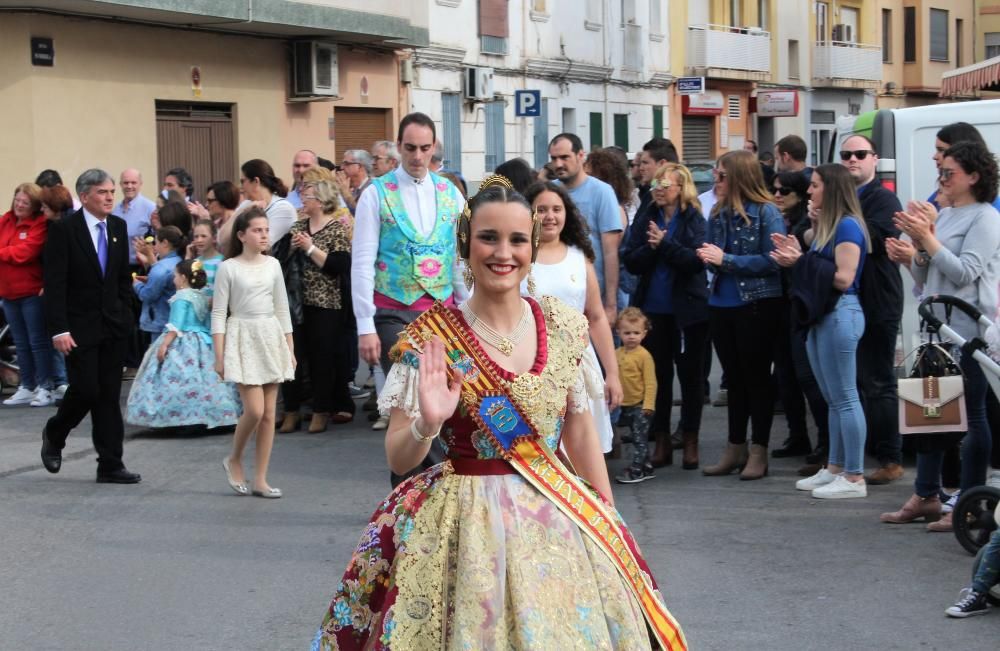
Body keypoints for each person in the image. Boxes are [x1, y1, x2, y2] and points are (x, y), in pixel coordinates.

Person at [313, 176, 686, 651]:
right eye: (488, 237)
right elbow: (401, 458)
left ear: (532, 245)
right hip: (464, 526)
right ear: (466, 245)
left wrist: (606, 517)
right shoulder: (432, 338)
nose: (502, 252)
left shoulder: (564, 326)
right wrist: (428, 424)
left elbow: (579, 431)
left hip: (557, 513)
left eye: (516, 239)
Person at [882, 140, 1000, 531]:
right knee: (929, 413)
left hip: (968, 331)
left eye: (948, 173)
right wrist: (911, 255)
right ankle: (926, 494)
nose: (941, 179)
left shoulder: (984, 217)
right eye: (940, 173)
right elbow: (929, 277)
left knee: (973, 415)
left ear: (974, 176)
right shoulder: (947, 216)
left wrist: (926, 240)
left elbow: (966, 272)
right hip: (937, 325)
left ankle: (965, 504)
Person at [351, 112, 466, 449]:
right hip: (392, 311)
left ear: (434, 149)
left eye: (425, 148)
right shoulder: (376, 194)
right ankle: (413, 486)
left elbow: (458, 260)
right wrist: (365, 325)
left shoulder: (450, 194)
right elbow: (362, 262)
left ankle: (427, 485)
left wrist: (470, 312)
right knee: (412, 398)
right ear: (399, 147)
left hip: (443, 314)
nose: (418, 156)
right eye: (411, 148)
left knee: (442, 401)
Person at [772, 164, 872, 499]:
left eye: (815, 186)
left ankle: (854, 476)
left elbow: (844, 277)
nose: (810, 191)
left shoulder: (847, 226)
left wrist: (798, 261)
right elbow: (808, 252)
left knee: (845, 397)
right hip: (824, 316)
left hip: (841, 313)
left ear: (830, 189)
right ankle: (835, 468)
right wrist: (801, 244)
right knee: (833, 399)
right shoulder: (827, 226)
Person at [41, 169, 141, 484]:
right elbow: (54, 285)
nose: (110, 197)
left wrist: (126, 316)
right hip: (77, 327)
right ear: (84, 196)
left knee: (109, 396)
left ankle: (110, 464)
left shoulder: (117, 226)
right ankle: (55, 433)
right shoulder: (63, 231)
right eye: (102, 192)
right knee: (86, 389)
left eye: (112, 191)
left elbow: (121, 277)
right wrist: (59, 329)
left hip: (112, 324)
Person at [697, 150, 786, 480]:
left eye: (721, 176)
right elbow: (713, 253)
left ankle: (758, 450)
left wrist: (726, 260)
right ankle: (735, 446)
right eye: (714, 175)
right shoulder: (718, 213)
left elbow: (774, 260)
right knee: (734, 379)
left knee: (756, 379)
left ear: (738, 178)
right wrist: (708, 256)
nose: (714, 182)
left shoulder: (766, 213)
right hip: (721, 302)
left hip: (757, 303)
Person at [522, 181, 622, 454]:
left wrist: (612, 373)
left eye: (557, 209)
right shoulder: (518, 258)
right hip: (529, 365)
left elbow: (597, 317)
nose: (550, 216)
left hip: (578, 364)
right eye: (541, 209)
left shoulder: (579, 258)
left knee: (582, 450)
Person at [624, 163, 709, 471]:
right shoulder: (646, 216)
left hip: (688, 312)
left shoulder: (694, 219)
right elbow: (631, 260)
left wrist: (666, 244)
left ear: (680, 189)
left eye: (665, 185)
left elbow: (695, 261)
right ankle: (660, 440)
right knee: (657, 378)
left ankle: (689, 439)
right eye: (655, 185)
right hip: (653, 311)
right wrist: (653, 247)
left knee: (691, 379)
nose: (658, 190)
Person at [212, 207, 296, 498]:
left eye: (266, 230)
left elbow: (282, 307)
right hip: (242, 335)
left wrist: (290, 347)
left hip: (270, 334)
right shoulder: (228, 268)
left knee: (269, 414)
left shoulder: (273, 264)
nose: (264, 235)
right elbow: (219, 313)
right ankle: (234, 458)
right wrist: (219, 355)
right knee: (255, 410)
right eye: (257, 230)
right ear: (241, 235)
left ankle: (260, 479)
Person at [838, 135, 907, 485]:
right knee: (855, 382)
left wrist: (841, 222)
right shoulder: (842, 200)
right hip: (847, 302)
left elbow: (878, 239)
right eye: (846, 154)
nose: (853, 160)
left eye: (860, 154)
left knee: (879, 381)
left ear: (874, 160)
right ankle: (855, 455)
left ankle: (890, 458)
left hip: (878, 300)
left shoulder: (882, 197)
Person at [126, 259, 241, 429]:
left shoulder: (181, 297)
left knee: (177, 376)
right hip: (203, 340)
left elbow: (176, 324)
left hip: (183, 341)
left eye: (175, 276)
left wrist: (165, 344)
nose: (173, 280)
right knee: (206, 378)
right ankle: (210, 413)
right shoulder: (202, 296)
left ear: (183, 278)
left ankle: (178, 416)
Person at [285, 175, 355, 433]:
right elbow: (281, 260)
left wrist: (310, 248)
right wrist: (291, 248)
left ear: (322, 200)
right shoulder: (298, 226)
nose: (304, 199)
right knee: (295, 356)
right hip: (297, 303)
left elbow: (339, 266)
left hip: (327, 304)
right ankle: (292, 411)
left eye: (309, 196)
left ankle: (321, 410)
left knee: (322, 358)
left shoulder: (336, 228)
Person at [770, 171, 830, 470]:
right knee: (785, 375)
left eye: (785, 191)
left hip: (801, 305)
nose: (778, 195)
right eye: (775, 190)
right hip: (779, 304)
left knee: (808, 377)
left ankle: (825, 442)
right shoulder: (778, 219)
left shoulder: (806, 222)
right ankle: (797, 435)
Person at [548, 133, 623, 324]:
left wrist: (611, 305)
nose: (558, 164)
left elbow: (610, 252)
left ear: (581, 155)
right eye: (554, 158)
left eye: (564, 157)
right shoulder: (548, 191)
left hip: (594, 296)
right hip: (558, 297)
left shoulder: (602, 192)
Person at [1, 183, 56, 407]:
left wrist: (3, 252)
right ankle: (26, 385)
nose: (20, 205)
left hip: (31, 292)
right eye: (17, 200)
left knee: (38, 342)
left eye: (25, 202)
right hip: (8, 292)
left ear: (34, 205)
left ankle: (46, 387)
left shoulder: (40, 224)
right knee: (21, 343)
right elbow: (15, 251)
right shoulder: (6, 220)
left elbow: (26, 252)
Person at [613, 307, 659, 483]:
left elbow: (650, 382)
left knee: (639, 439)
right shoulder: (616, 354)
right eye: (627, 332)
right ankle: (647, 465)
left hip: (641, 406)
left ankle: (636, 469)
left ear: (644, 334)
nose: (631, 336)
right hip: (624, 404)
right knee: (635, 436)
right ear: (618, 332)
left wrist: (648, 405)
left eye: (636, 332)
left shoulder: (644, 356)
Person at [133, 226, 183, 342]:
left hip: (159, 322)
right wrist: (149, 280)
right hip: (173, 320)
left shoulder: (161, 267)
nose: (154, 246)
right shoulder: (179, 260)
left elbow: (148, 295)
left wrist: (136, 284)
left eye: (156, 242)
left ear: (165, 243)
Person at [238, 159, 297, 244]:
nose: (241, 187)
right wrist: (241, 211)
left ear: (256, 181)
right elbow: (222, 240)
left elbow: (264, 245)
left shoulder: (283, 208)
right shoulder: (246, 204)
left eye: (243, 181)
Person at [115, 169, 156, 268]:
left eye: (133, 183)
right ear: (120, 184)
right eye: (126, 183)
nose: (129, 186)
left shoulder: (151, 208)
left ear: (140, 184)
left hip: (140, 267)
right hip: (118, 266)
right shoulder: (115, 210)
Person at [187, 219, 224, 296]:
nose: (199, 240)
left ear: (214, 238)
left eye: (203, 236)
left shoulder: (221, 262)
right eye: (196, 237)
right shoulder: (195, 262)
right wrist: (187, 258)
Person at [204, 181, 240, 252]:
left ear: (223, 199)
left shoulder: (239, 222)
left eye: (210, 201)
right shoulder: (216, 224)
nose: (206, 205)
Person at [334, 149, 372, 214]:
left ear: (359, 166)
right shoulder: (352, 189)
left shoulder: (371, 188)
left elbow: (362, 214)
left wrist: (346, 193)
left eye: (346, 164)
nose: (342, 167)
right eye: (342, 164)